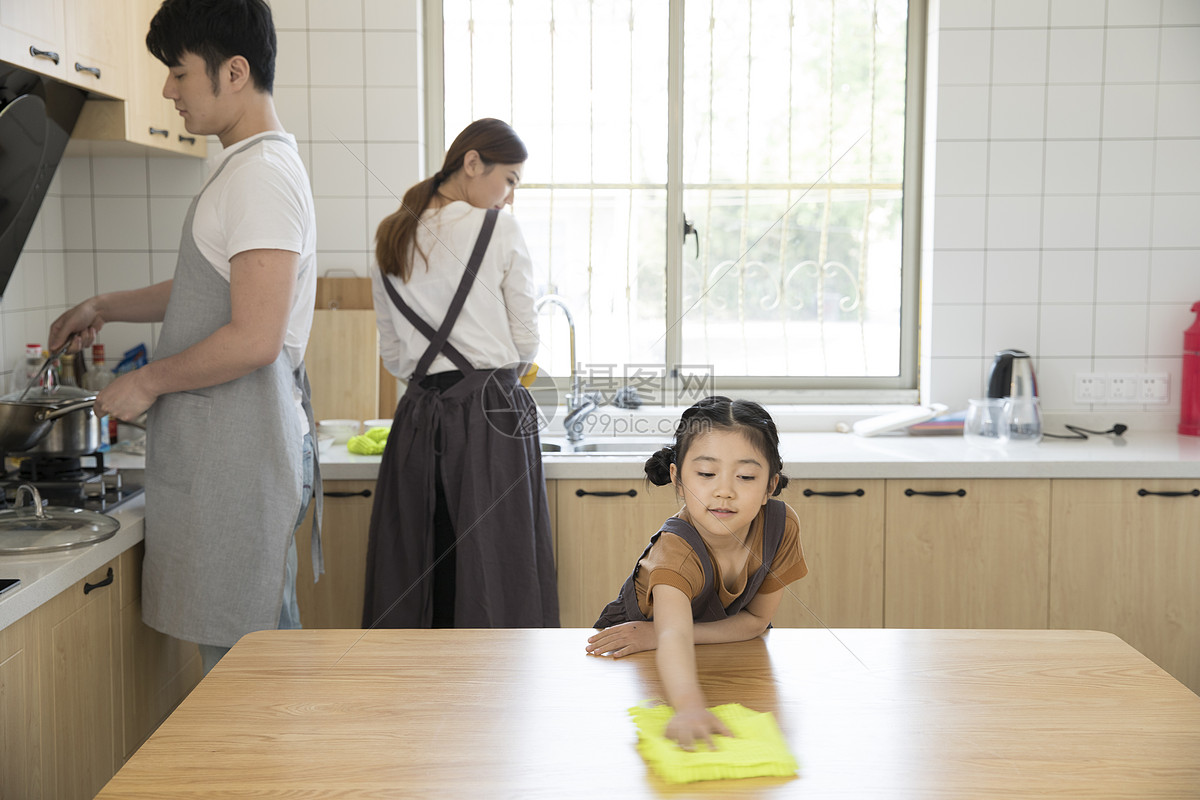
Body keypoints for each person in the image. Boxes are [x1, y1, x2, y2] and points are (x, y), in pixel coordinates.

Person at [47, 0, 321, 674]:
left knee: (251, 674)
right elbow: (218, 289)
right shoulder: (242, 167)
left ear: (233, 72)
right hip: (232, 450)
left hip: (243, 450)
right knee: (248, 669)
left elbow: (255, 334)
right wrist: (105, 304)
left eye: (177, 73)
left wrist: (145, 381)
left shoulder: (260, 175)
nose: (168, 90)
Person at [362, 118, 558, 629]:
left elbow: (395, 359)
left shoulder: (390, 234)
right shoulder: (500, 230)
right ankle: (496, 696)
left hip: (419, 419)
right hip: (490, 415)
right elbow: (526, 341)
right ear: (473, 163)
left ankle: (419, 699)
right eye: (510, 179)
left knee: (422, 566)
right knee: (498, 567)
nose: (509, 196)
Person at [586, 396, 808, 750]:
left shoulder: (780, 527)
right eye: (706, 474)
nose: (724, 490)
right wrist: (689, 708)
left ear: (769, 486)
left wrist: (657, 635)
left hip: (708, 651)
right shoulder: (675, 552)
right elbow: (673, 634)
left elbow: (755, 622)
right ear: (677, 477)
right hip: (635, 655)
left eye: (746, 476)